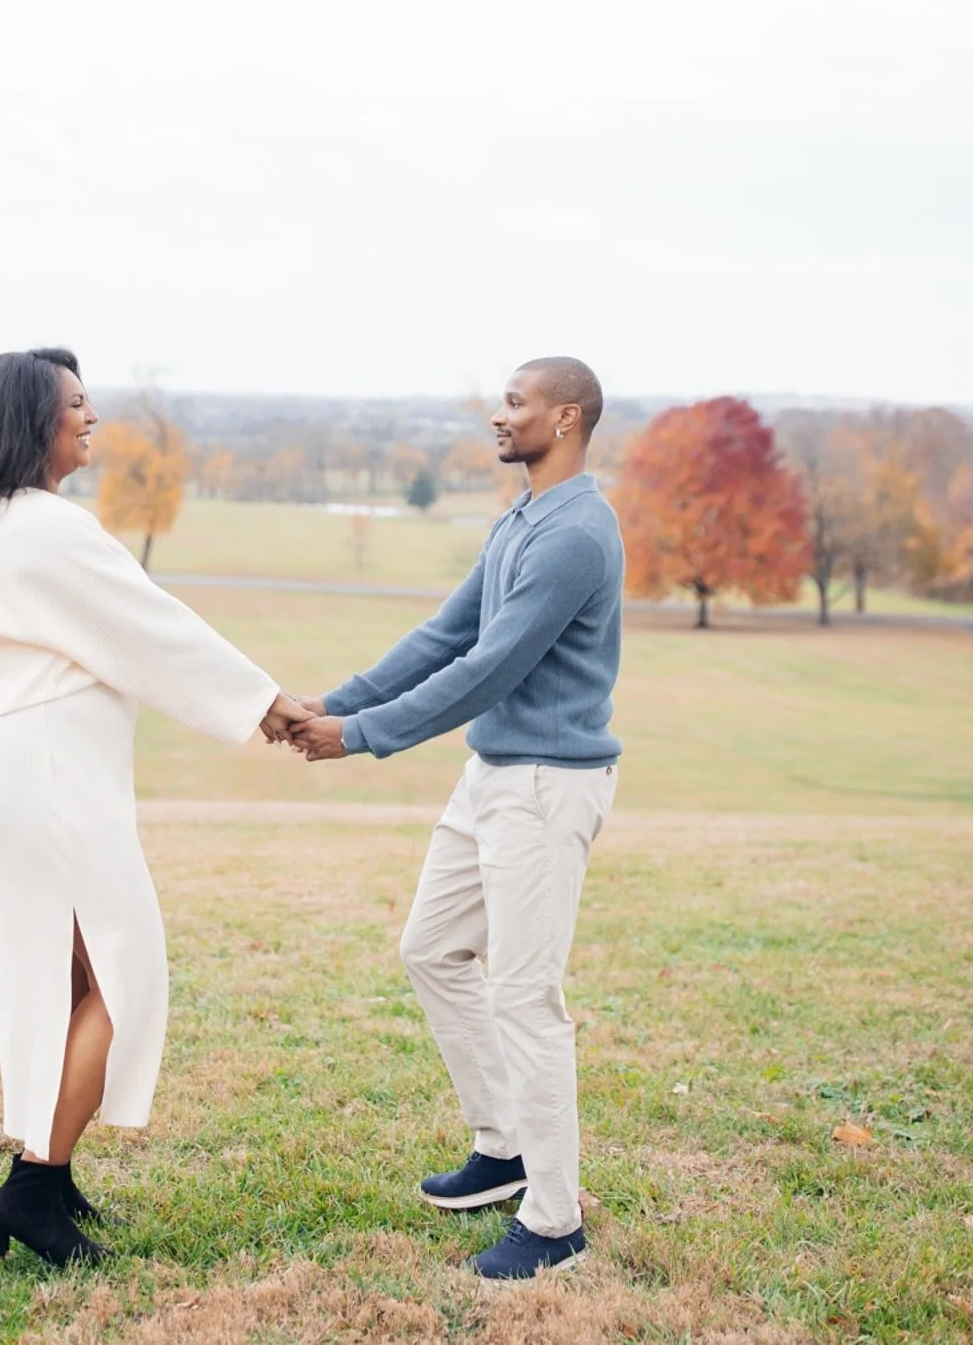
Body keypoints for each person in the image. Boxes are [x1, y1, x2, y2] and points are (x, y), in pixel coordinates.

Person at [0, 349, 308, 1268]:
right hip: (51, 770)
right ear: (32, 422)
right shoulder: (45, 527)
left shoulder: (6, 522)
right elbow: (152, 626)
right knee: (124, 982)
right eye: (75, 405)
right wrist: (266, 701)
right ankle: (29, 1187)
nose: (89, 417)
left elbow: (133, 629)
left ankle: (50, 1180)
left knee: (68, 977)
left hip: (33, 764)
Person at [288, 357, 623, 1281]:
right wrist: (334, 698)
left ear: (564, 418)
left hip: (548, 786)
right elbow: (446, 635)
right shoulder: (520, 519)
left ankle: (554, 1221)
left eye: (513, 403)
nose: (496, 415)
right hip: (494, 775)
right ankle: (504, 1146)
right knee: (430, 947)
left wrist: (358, 735)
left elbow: (490, 670)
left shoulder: (577, 535)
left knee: (525, 995)